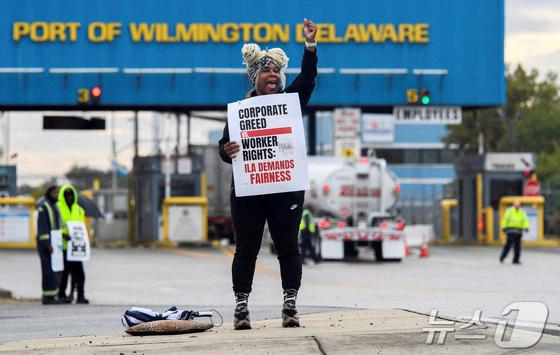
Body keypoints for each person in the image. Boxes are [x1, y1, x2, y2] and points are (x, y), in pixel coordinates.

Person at [218, 18, 318, 330]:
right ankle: (241, 306)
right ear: (255, 77)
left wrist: (310, 45)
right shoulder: (240, 111)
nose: (272, 74)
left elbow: (309, 77)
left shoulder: (290, 102)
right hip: (248, 190)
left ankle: (290, 305)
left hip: (285, 189)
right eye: (266, 70)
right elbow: (223, 146)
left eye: (276, 70)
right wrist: (227, 150)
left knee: (288, 246)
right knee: (246, 249)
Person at [57, 184, 89, 304]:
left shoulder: (79, 210)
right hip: (63, 246)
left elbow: (82, 228)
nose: (69, 197)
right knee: (64, 273)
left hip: (76, 247)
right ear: (63, 196)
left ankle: (80, 295)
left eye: (70, 195)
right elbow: (55, 227)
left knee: (80, 273)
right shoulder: (57, 208)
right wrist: (62, 235)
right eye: (66, 195)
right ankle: (62, 294)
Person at [36, 186, 62, 305]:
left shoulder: (54, 207)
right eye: (54, 192)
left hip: (53, 244)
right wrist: (47, 244)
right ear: (49, 193)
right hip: (46, 246)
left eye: (57, 192)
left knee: (53, 271)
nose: (56, 194)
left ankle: (52, 295)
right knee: (47, 271)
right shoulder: (44, 207)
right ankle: (47, 297)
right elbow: (43, 227)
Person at [500, 200, 529, 264]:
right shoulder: (509, 211)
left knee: (517, 246)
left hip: (519, 231)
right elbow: (505, 219)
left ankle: (516, 260)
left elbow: (525, 220)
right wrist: (503, 227)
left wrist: (526, 227)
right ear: (513, 205)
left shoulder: (522, 212)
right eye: (516, 204)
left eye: (518, 205)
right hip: (511, 231)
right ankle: (502, 257)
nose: (517, 206)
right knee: (508, 245)